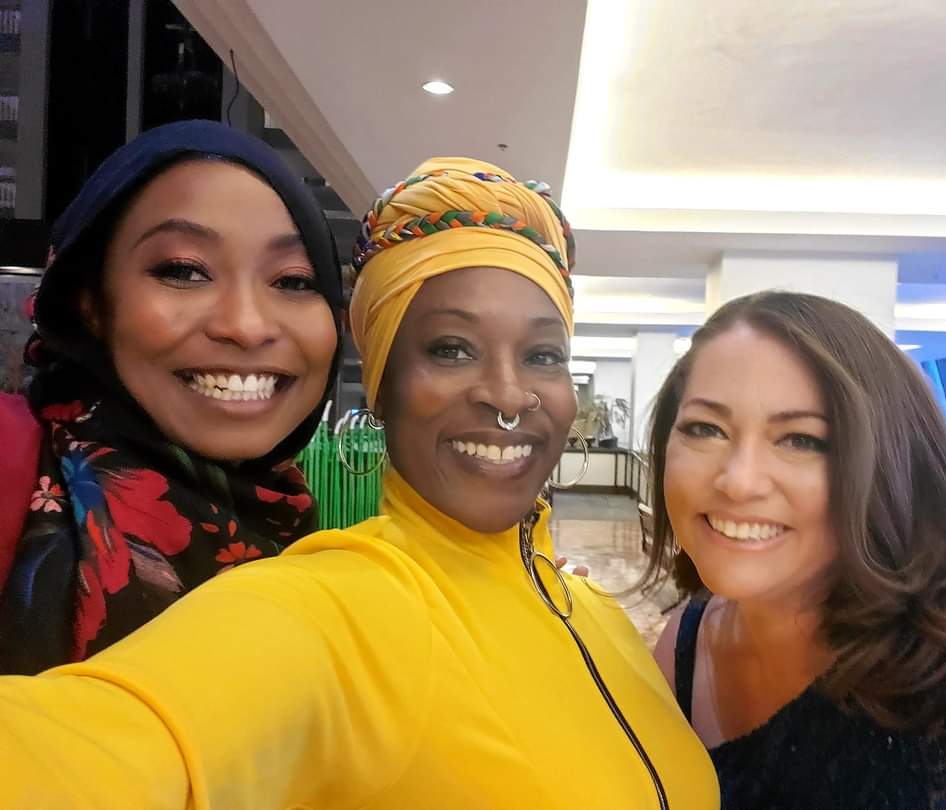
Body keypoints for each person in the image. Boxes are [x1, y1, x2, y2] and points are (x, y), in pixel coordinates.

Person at [0, 158, 720, 809]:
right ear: (381, 384)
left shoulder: (601, 614)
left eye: (542, 354)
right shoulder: (340, 606)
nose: (508, 394)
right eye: (451, 348)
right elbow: (102, 745)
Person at [646, 291, 946, 808]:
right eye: (706, 429)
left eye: (801, 440)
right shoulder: (686, 644)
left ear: (890, 466)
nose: (738, 481)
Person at [0, 120, 342, 674]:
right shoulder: (10, 463)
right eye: (184, 271)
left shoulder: (312, 548)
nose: (247, 326)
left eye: (294, 281)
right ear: (90, 301)